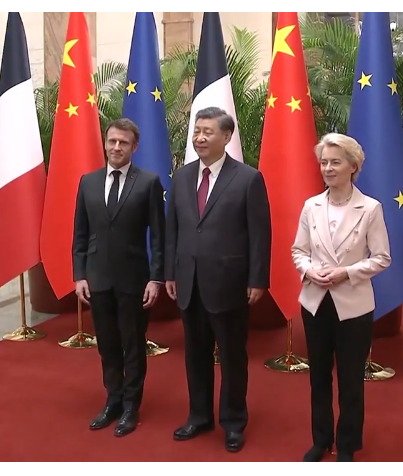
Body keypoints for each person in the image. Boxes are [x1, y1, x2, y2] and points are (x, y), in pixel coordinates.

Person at [165, 107, 272, 453]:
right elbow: (173, 230)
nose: (199, 138)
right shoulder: (181, 177)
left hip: (229, 284)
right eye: (197, 131)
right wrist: (169, 272)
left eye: (207, 132)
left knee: (231, 358)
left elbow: (260, 234)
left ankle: (233, 422)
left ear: (226, 137)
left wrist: (258, 279)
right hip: (189, 282)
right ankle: (199, 416)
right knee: (195, 356)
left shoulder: (248, 179)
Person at [291, 133, 391, 462]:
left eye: (335, 162)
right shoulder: (311, 206)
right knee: (318, 377)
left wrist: (346, 272)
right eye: (324, 162)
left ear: (353, 166)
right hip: (315, 302)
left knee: (350, 380)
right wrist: (309, 271)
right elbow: (298, 251)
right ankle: (321, 440)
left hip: (353, 306)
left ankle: (347, 444)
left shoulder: (370, 208)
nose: (328, 168)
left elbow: (382, 258)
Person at [72, 117, 166, 437]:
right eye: (112, 141)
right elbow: (80, 234)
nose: (116, 147)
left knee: (133, 345)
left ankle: (130, 406)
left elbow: (159, 237)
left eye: (123, 142)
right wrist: (79, 275)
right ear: (105, 142)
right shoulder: (88, 182)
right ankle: (112, 400)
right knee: (107, 345)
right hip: (97, 279)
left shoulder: (149, 182)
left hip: (134, 280)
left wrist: (156, 278)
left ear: (134, 147)